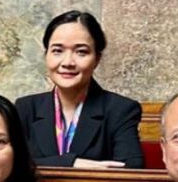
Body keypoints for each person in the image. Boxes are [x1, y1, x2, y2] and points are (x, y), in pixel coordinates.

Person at [16, 11, 144, 169]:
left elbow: (130, 169)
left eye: (81, 52)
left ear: (97, 59)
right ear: (46, 55)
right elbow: (10, 164)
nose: (68, 62)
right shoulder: (26, 108)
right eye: (57, 51)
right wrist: (72, 163)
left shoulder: (120, 110)